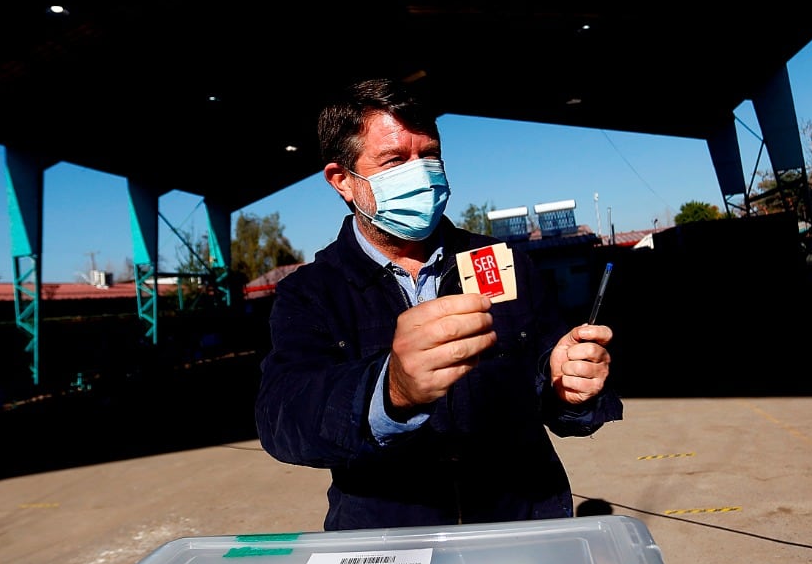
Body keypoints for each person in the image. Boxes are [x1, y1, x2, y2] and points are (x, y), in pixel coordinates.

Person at [255, 77, 622, 531]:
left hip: (521, 526)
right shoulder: (311, 292)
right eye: (394, 161)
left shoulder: (503, 262)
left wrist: (571, 388)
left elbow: (555, 391)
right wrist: (390, 391)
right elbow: (282, 419)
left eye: (429, 155)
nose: (421, 173)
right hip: (391, 544)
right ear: (342, 181)